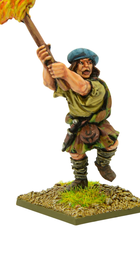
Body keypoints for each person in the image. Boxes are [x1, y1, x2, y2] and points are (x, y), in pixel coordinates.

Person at [36, 45, 119, 190]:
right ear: (75, 66)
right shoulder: (68, 85)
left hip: (97, 121)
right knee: (75, 153)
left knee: (111, 144)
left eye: (89, 62)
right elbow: (50, 84)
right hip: (78, 124)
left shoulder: (97, 85)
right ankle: (80, 180)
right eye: (81, 63)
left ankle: (102, 163)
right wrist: (45, 64)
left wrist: (65, 73)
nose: (87, 66)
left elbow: (83, 88)